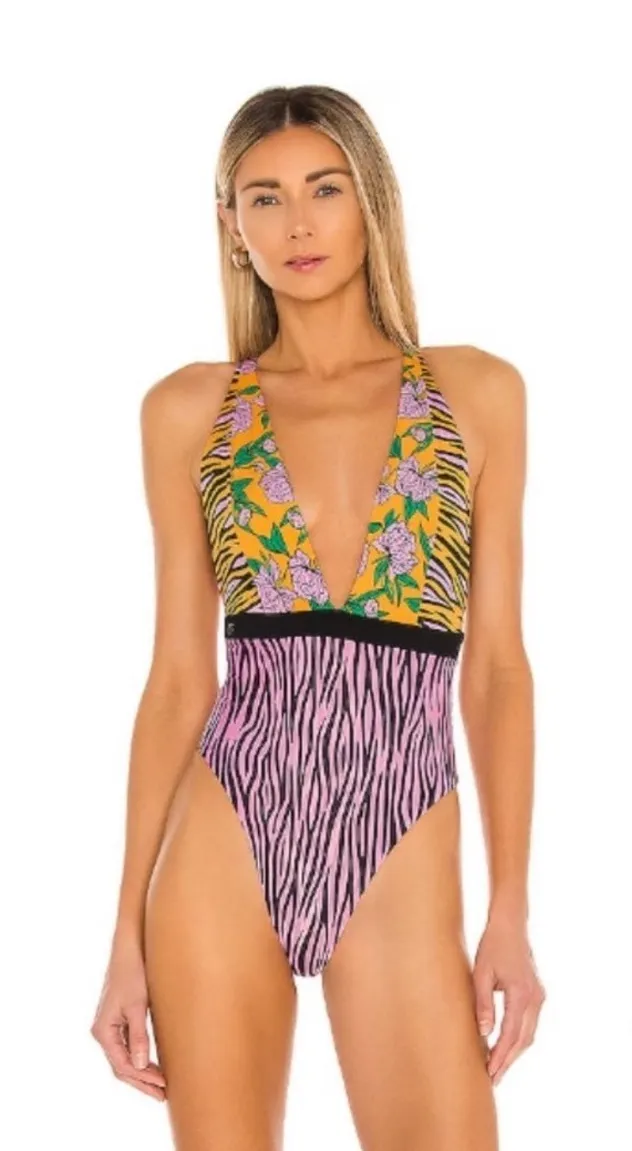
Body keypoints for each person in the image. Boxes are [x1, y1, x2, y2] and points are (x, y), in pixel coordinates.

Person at [90, 84, 545, 1149]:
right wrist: (122, 933)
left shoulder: (475, 393)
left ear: (370, 201)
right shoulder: (190, 410)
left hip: (400, 820)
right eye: (264, 197)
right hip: (227, 821)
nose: (297, 224)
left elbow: (496, 671)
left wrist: (510, 909)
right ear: (229, 222)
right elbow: (178, 680)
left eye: (324, 190)